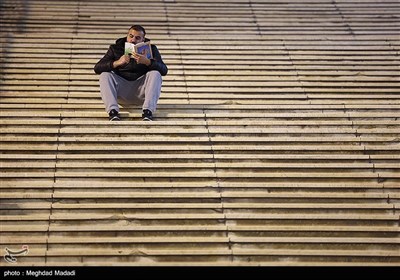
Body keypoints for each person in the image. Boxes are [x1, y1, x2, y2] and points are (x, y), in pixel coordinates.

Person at [94, 25, 168, 121]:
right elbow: (97, 68)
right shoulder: (115, 48)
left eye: (137, 38)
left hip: (141, 91)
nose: (133, 40)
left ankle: (148, 111)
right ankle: (113, 111)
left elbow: (164, 70)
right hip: (121, 90)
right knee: (105, 75)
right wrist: (117, 63)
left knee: (155, 73)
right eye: (131, 36)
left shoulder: (152, 49)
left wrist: (148, 62)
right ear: (127, 36)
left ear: (143, 39)